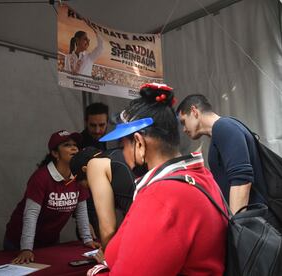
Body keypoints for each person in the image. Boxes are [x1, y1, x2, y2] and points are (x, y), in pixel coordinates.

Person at [88, 83, 227, 275]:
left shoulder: (162, 197)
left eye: (123, 145)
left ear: (139, 143)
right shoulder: (201, 177)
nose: (123, 153)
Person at [176, 94, 281, 230]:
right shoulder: (224, 129)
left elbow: (241, 180)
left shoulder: (223, 127)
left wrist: (236, 228)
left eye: (183, 122)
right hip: (256, 222)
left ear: (194, 111)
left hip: (258, 225)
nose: (184, 129)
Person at [3, 130, 99, 264]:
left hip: (49, 242)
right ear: (55, 153)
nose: (74, 148)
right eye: (67, 145)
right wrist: (26, 248)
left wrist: (88, 240)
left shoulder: (78, 178)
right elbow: (31, 214)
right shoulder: (41, 177)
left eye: (75, 145)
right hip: (19, 243)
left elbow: (81, 211)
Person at [70, 147, 136, 248]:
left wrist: (106, 255)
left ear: (85, 170)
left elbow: (108, 228)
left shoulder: (94, 165)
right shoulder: (117, 156)